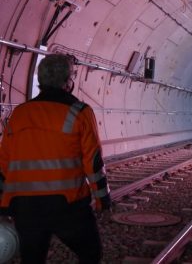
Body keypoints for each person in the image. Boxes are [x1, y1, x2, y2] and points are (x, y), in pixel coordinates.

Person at [0, 54, 111, 263]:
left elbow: (3, 162)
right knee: (90, 254)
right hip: (68, 206)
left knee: (32, 259)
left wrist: (3, 205)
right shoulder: (80, 112)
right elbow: (93, 161)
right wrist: (102, 199)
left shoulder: (19, 114)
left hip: (25, 208)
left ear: (40, 81)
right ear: (68, 82)